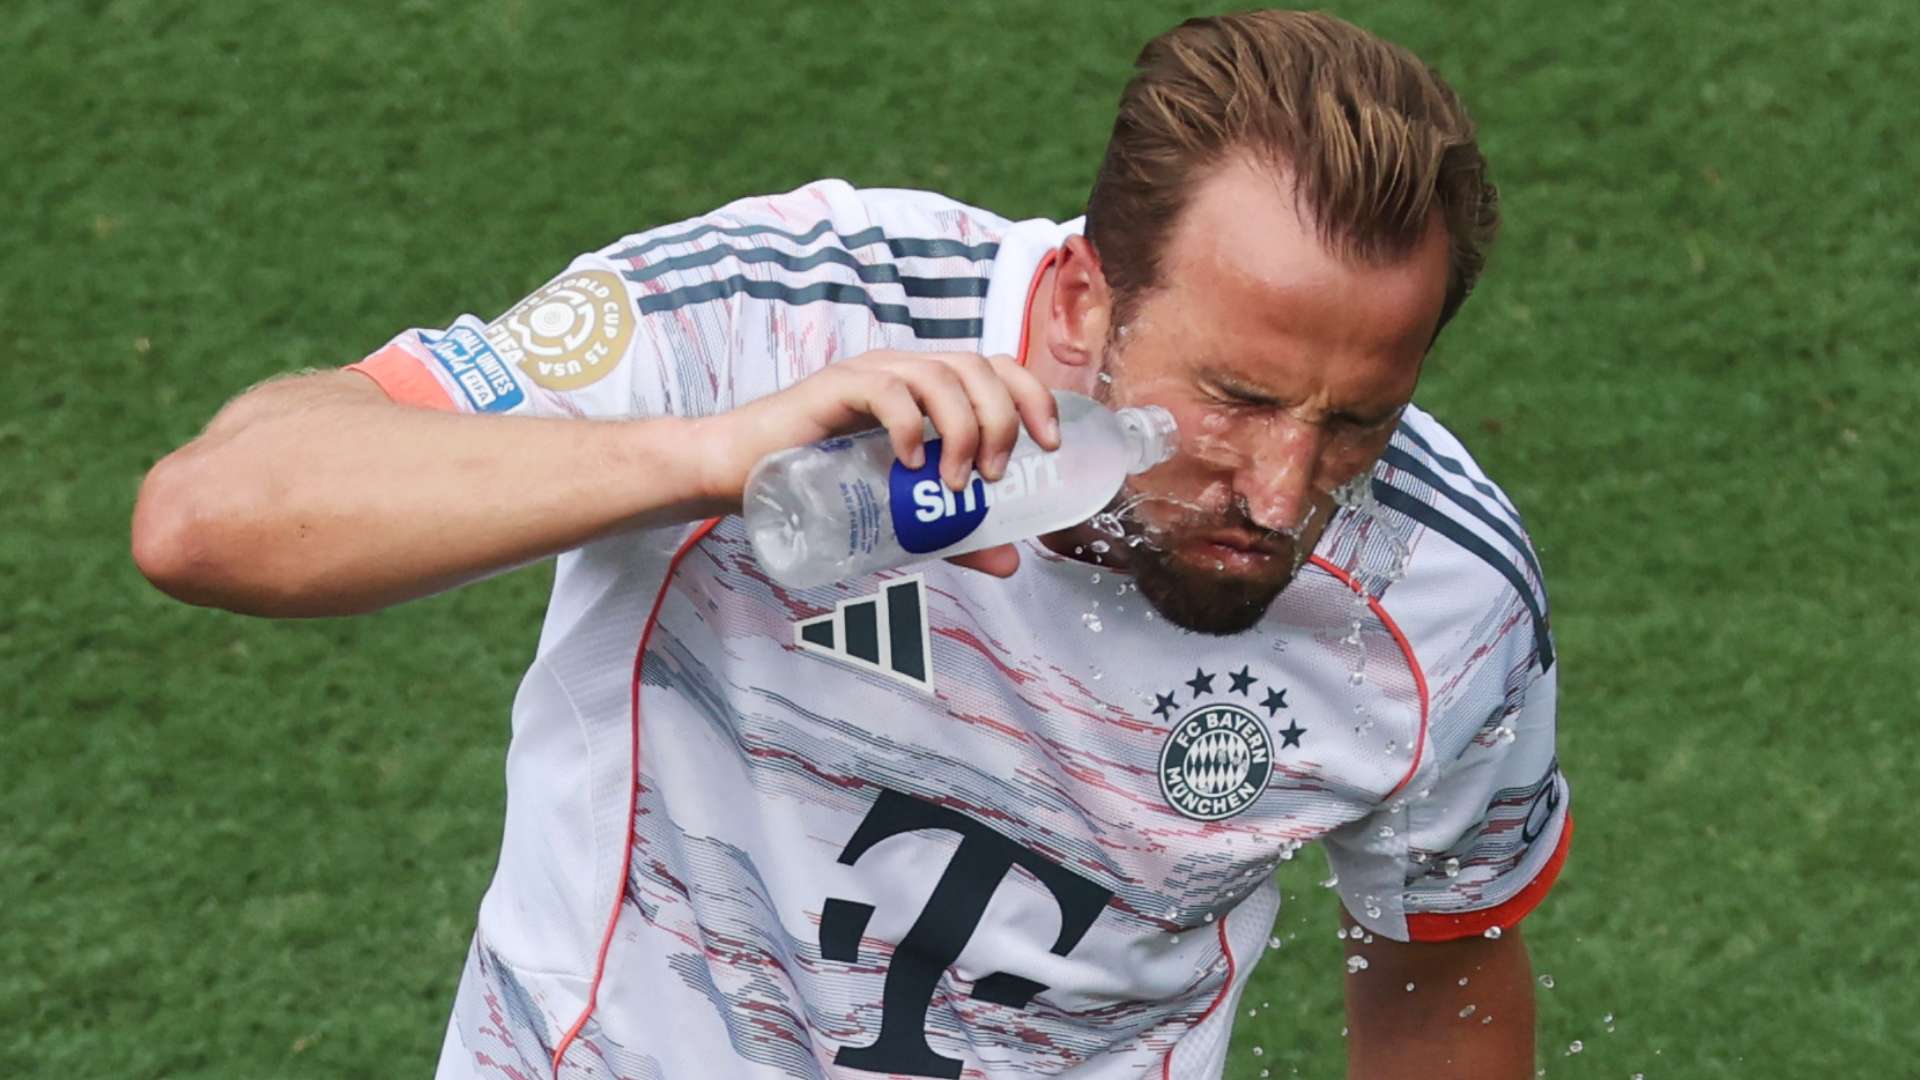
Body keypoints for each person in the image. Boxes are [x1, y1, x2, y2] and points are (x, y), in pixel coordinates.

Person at [132, 10, 1569, 1079]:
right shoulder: (790, 316)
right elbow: (213, 518)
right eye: (1236, 399)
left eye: (1358, 423)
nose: (1280, 489)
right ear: (1078, 301)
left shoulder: (1442, 603)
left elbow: (1442, 967)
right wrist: (706, 460)